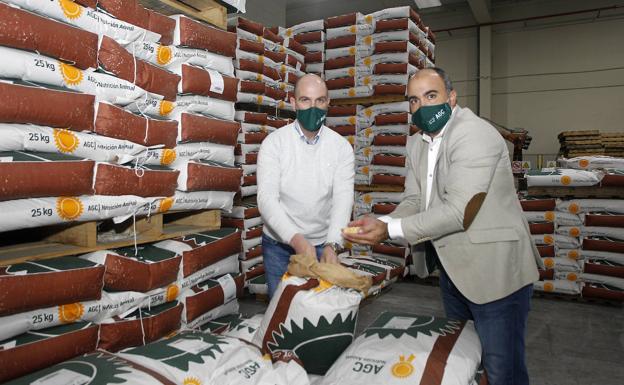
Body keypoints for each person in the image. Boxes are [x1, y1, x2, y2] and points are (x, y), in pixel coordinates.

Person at [343, 67, 541, 385]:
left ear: (451, 97)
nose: (423, 106)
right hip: (454, 270)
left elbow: (459, 211)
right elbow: (414, 201)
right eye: (414, 100)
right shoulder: (416, 145)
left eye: (431, 96)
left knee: (503, 370)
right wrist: (383, 221)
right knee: (465, 357)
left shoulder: (473, 134)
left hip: (496, 273)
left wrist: (389, 232)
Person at [257, 74, 355, 298]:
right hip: (279, 245)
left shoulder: (341, 147)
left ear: (328, 102)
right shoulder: (274, 144)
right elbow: (267, 199)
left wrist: (333, 244)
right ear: (293, 103)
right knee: (281, 313)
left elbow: (342, 199)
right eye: (305, 100)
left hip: (323, 243)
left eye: (320, 101)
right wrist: (296, 239)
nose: (313, 108)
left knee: (320, 313)